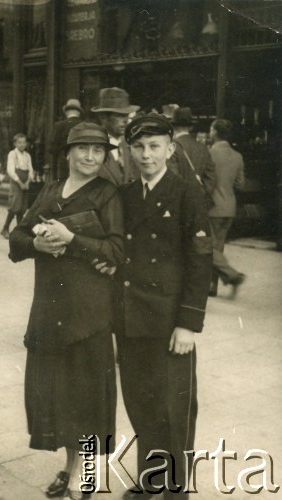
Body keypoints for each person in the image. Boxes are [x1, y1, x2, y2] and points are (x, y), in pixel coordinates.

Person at [9, 122, 124, 500]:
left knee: (87, 398)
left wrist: (73, 238)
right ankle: (69, 468)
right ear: (69, 153)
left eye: (98, 151)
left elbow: (116, 252)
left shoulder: (108, 194)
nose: (90, 157)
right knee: (61, 398)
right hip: (49, 309)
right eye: (83, 149)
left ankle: (85, 477)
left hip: (88, 313)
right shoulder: (50, 190)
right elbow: (16, 238)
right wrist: (37, 246)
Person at [110, 115, 212, 499]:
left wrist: (189, 323)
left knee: (174, 411)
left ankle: (175, 492)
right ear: (129, 150)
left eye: (154, 146)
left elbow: (200, 259)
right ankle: (152, 482)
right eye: (139, 147)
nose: (146, 154)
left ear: (170, 149)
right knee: (141, 404)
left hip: (171, 323)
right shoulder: (125, 193)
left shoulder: (187, 192)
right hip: (132, 318)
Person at [208, 119, 246, 297]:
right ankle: (212, 285)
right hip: (229, 207)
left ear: (215, 132)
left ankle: (233, 276)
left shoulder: (209, 154)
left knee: (208, 246)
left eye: (210, 129)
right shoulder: (237, 156)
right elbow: (240, 184)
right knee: (218, 246)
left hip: (212, 207)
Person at [91, 87, 140, 186]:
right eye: (120, 115)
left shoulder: (127, 144)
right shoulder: (91, 146)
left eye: (127, 115)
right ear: (103, 117)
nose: (126, 120)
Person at [168, 107, 216, 202]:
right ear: (191, 127)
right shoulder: (203, 148)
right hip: (198, 203)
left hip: (179, 204)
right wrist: (201, 193)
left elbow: (173, 178)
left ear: (173, 127)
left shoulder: (171, 147)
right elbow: (211, 177)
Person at [0, 133, 34, 239]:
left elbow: (31, 170)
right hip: (16, 181)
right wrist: (19, 182)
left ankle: (19, 230)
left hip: (25, 181)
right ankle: (5, 228)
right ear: (15, 143)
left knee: (23, 207)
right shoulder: (12, 154)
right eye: (19, 142)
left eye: (24, 142)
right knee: (15, 205)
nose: (22, 144)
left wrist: (28, 181)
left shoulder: (27, 155)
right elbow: (10, 170)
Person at [48, 98, 83, 180]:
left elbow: (52, 149)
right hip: (81, 164)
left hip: (63, 165)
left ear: (67, 112)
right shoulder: (84, 125)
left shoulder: (59, 125)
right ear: (79, 112)